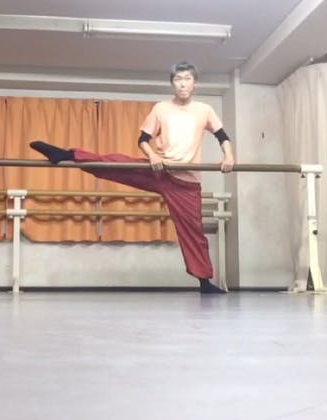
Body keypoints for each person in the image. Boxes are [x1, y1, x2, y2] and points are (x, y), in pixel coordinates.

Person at [30, 61, 235, 294]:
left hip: (186, 183)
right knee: (116, 163)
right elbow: (143, 140)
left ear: (194, 83)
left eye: (187, 79)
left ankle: (204, 283)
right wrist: (152, 156)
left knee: (194, 232)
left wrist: (228, 156)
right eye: (178, 79)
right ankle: (66, 154)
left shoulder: (204, 110)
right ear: (172, 83)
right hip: (159, 169)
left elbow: (222, 135)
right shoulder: (161, 108)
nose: (182, 84)